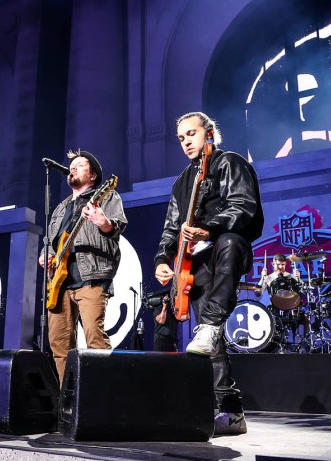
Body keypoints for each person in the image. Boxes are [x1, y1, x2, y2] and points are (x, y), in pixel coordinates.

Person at [154, 112, 263, 435]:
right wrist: (163, 258)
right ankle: (232, 413)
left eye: (191, 134)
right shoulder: (181, 182)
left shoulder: (230, 163)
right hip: (194, 263)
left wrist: (207, 228)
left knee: (229, 242)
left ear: (209, 132)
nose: (186, 141)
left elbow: (244, 206)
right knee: (208, 343)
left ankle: (214, 322)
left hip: (226, 246)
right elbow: (172, 228)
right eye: (181, 137)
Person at [39, 150, 127, 384]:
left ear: (93, 175)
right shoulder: (60, 207)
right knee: (58, 344)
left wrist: (103, 222)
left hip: (92, 277)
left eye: (80, 165)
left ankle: (102, 396)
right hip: (59, 284)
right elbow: (50, 241)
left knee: (94, 339)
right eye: (72, 166)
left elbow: (116, 226)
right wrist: (46, 254)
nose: (73, 168)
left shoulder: (107, 196)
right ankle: (67, 401)